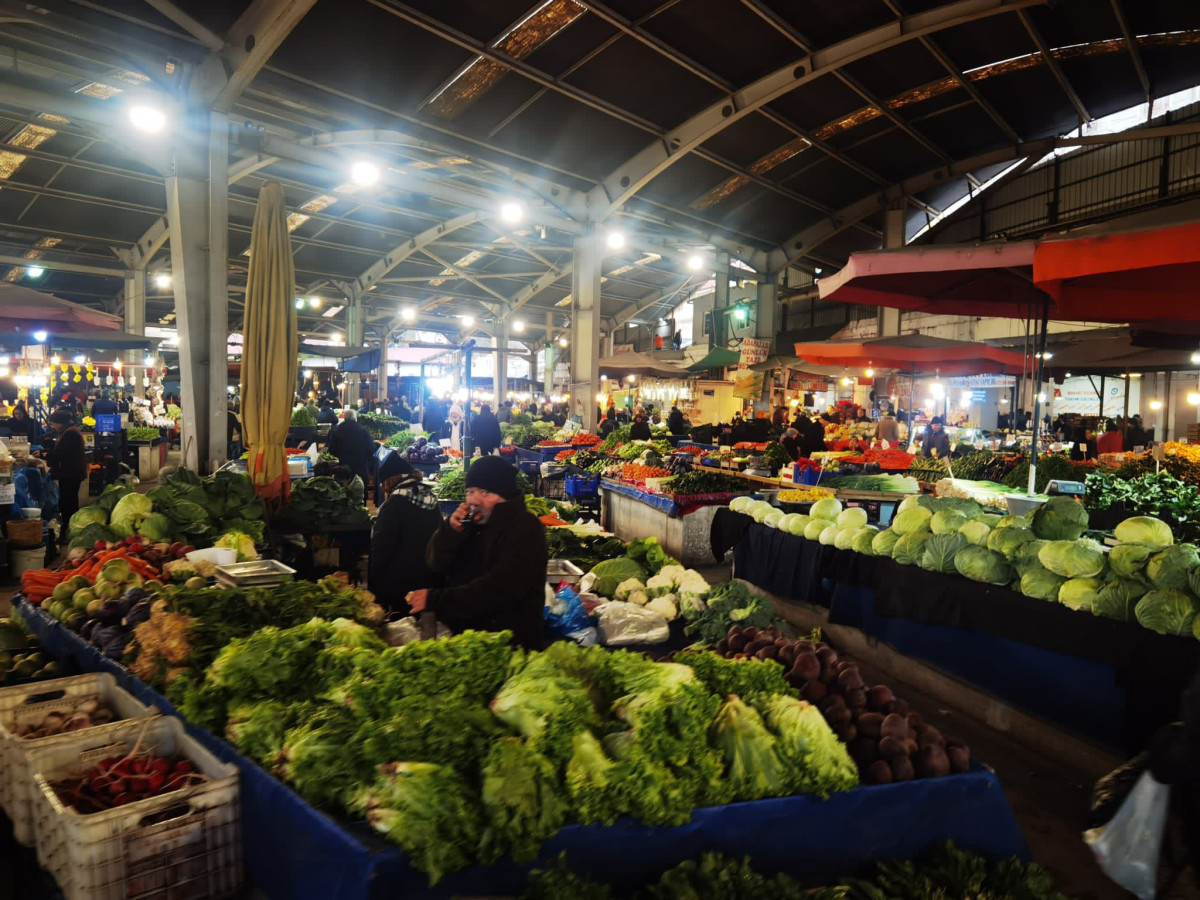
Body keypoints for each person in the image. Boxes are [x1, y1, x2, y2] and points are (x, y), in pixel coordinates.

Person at [409, 456, 547, 649]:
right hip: (471, 643)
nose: (473, 500)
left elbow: (500, 588)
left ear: (504, 496)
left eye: (485, 492)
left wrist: (437, 601)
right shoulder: (471, 525)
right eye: (470, 491)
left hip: (511, 647)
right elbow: (436, 563)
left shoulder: (526, 528)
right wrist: (449, 531)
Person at [369, 463, 443, 615]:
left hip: (399, 586)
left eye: (383, 484)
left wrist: (373, 586)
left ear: (391, 481)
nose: (383, 488)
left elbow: (381, 548)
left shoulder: (393, 504)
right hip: (429, 581)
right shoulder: (431, 498)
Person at [45, 409, 87, 537]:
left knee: (68, 503)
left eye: (53, 423)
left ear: (60, 422)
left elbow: (64, 454)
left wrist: (46, 454)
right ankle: (71, 530)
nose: (53, 426)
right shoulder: (69, 431)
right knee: (69, 502)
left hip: (71, 473)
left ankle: (70, 530)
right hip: (71, 473)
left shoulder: (70, 433)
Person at [328, 409, 376, 502]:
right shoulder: (363, 430)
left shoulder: (336, 431)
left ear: (344, 418)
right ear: (355, 419)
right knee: (361, 492)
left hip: (343, 467)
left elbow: (331, 450)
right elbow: (371, 448)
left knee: (342, 493)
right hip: (360, 466)